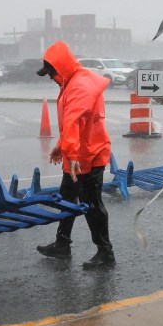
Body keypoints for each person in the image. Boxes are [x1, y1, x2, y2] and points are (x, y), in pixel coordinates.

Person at [34, 41, 115, 269]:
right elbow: (75, 124)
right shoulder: (73, 82)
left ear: (61, 67)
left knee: (91, 205)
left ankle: (105, 253)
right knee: (67, 197)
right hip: (77, 153)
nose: (50, 77)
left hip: (87, 155)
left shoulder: (79, 86)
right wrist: (63, 146)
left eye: (51, 72)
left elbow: (73, 120)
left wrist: (69, 152)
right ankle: (62, 244)